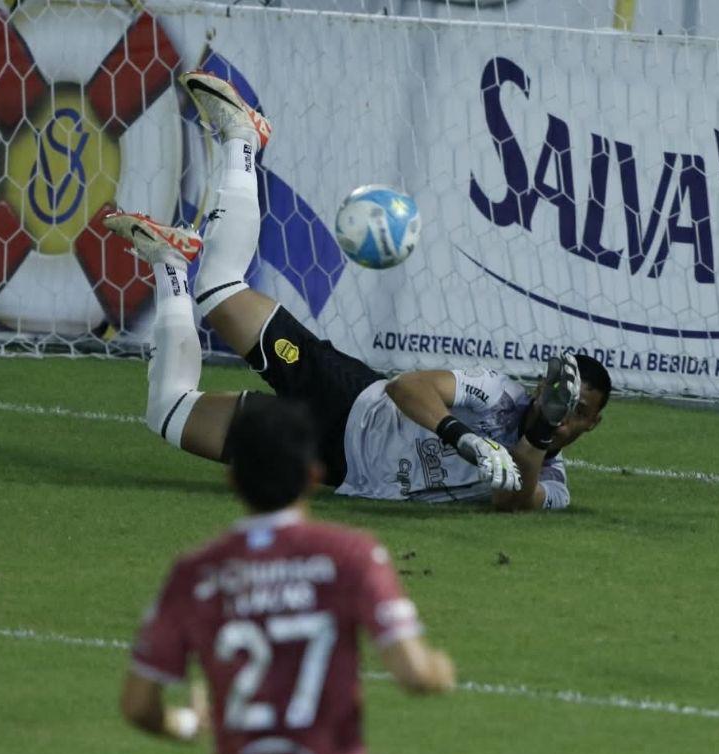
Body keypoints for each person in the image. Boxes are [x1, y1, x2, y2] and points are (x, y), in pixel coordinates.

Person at [104, 72, 612, 512]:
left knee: (168, 412)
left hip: (328, 464)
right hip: (346, 398)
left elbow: (513, 502)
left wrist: (539, 436)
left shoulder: (553, 481)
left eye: (579, 411)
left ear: (594, 424)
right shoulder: (498, 393)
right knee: (217, 289)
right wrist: (465, 438)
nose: (568, 415)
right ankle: (243, 138)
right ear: (541, 388)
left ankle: (170, 265)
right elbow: (406, 387)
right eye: (561, 398)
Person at [120, 398, 456, 754]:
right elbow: (412, 673)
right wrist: (438, 670)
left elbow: (137, 705)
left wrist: (186, 723)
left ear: (232, 480)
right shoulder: (352, 556)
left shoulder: (196, 573)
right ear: (313, 476)